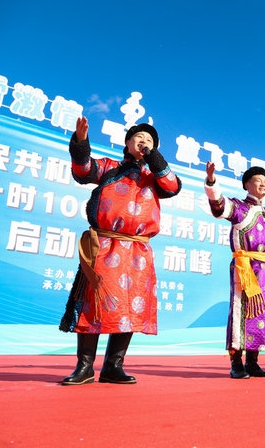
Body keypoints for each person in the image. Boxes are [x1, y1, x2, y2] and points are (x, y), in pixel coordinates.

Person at [59, 117, 182, 385]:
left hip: (138, 250)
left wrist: (153, 157)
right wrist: (80, 142)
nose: (144, 142)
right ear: (127, 143)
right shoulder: (109, 167)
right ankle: (85, 366)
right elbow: (83, 170)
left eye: (149, 140)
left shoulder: (155, 177)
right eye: (139, 137)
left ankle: (113, 366)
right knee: (94, 301)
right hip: (105, 245)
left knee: (130, 307)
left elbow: (172, 186)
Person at [204, 162, 265, 378]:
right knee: (242, 311)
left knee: (262, 313)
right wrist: (212, 181)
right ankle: (236, 363)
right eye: (258, 180)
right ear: (246, 185)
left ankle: (252, 362)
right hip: (245, 268)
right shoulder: (239, 207)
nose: (263, 184)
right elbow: (218, 207)